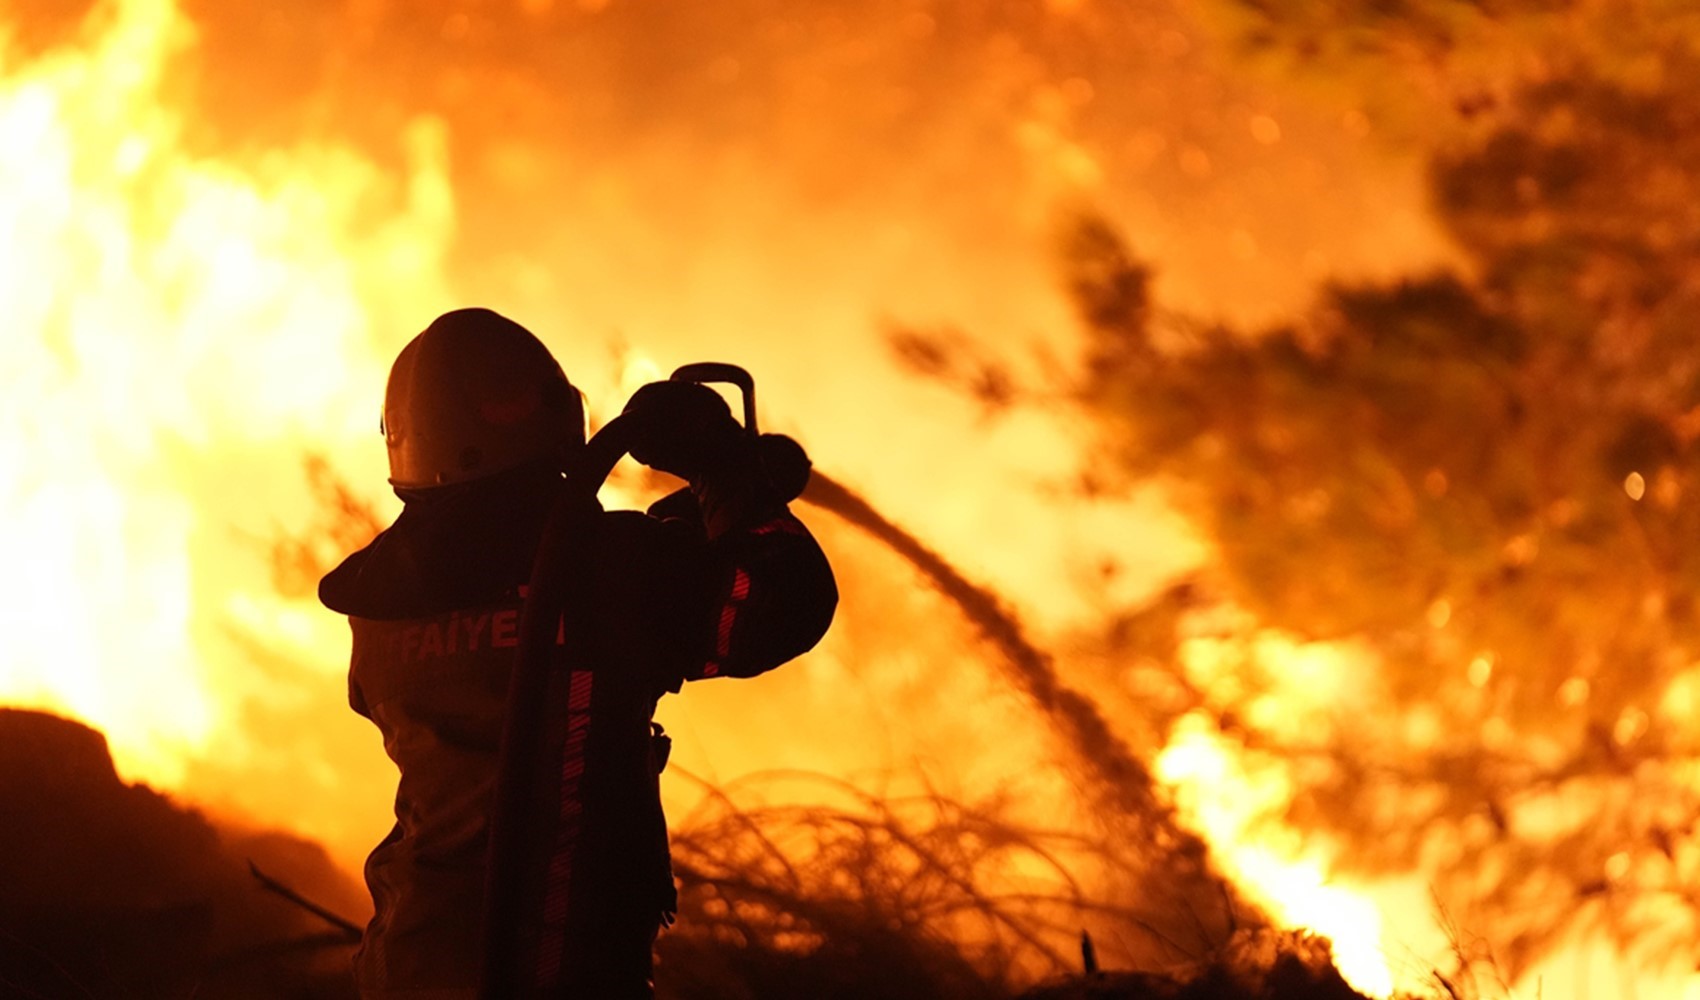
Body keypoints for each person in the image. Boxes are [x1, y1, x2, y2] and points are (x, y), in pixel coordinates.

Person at [319, 308, 837, 999]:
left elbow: (591, 589)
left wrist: (697, 514)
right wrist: (726, 470)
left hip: (410, 964)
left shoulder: (383, 603)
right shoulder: (607, 574)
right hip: (549, 973)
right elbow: (784, 603)